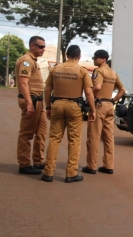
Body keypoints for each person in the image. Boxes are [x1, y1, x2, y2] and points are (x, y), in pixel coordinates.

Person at [41, 45, 96, 183]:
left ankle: (48, 172)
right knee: (74, 140)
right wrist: (93, 110)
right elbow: (89, 92)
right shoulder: (82, 71)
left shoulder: (55, 69)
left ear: (66, 55)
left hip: (57, 105)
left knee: (54, 139)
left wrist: (47, 107)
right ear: (79, 56)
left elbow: (47, 90)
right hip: (74, 107)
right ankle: (71, 173)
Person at [82, 50, 125, 175]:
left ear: (103, 59)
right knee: (108, 137)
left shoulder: (99, 71)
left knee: (94, 137)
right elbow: (122, 90)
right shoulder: (113, 72)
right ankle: (108, 165)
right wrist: (113, 100)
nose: (93, 59)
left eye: (95, 58)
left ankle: (91, 165)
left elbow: (97, 87)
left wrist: (90, 98)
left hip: (98, 105)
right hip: (109, 106)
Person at [15, 36, 47, 175]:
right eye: (40, 46)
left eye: (44, 46)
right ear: (32, 46)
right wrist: (29, 103)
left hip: (38, 101)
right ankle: (24, 164)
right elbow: (23, 83)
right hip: (31, 101)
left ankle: (38, 160)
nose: (43, 49)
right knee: (27, 133)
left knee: (41, 132)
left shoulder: (34, 61)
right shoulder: (27, 61)